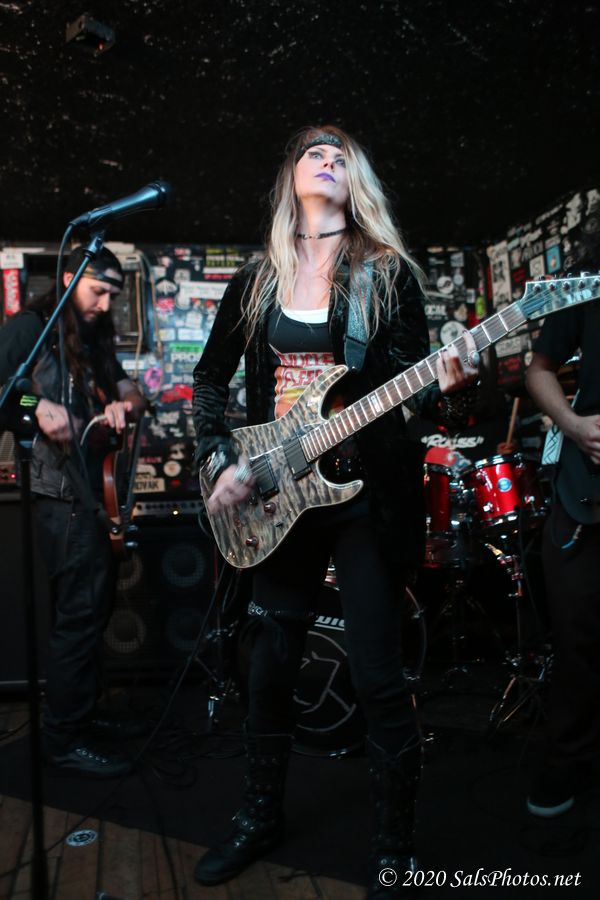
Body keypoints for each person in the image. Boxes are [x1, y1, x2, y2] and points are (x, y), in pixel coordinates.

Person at [191, 125, 480, 897]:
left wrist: (448, 384)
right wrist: (218, 459)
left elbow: (412, 396)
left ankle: (393, 849)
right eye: (314, 152)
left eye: (341, 155)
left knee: (379, 675)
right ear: (292, 174)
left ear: (357, 182)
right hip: (276, 494)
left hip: (363, 496)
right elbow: (211, 381)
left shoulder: (387, 274)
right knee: (268, 667)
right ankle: (259, 816)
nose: (327, 159)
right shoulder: (257, 279)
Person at [0, 246, 146, 778]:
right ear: (68, 278)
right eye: (98, 290)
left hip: (94, 496)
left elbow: (133, 392)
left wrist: (124, 404)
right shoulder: (30, 328)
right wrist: (35, 407)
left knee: (94, 611)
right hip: (61, 497)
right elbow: (5, 395)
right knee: (79, 618)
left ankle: (81, 714)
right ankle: (63, 738)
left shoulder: (92, 337)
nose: (105, 304)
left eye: (113, 294)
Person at [525, 298, 600, 817]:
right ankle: (569, 758)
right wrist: (575, 426)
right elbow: (539, 370)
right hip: (586, 490)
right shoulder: (587, 287)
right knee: (578, 637)